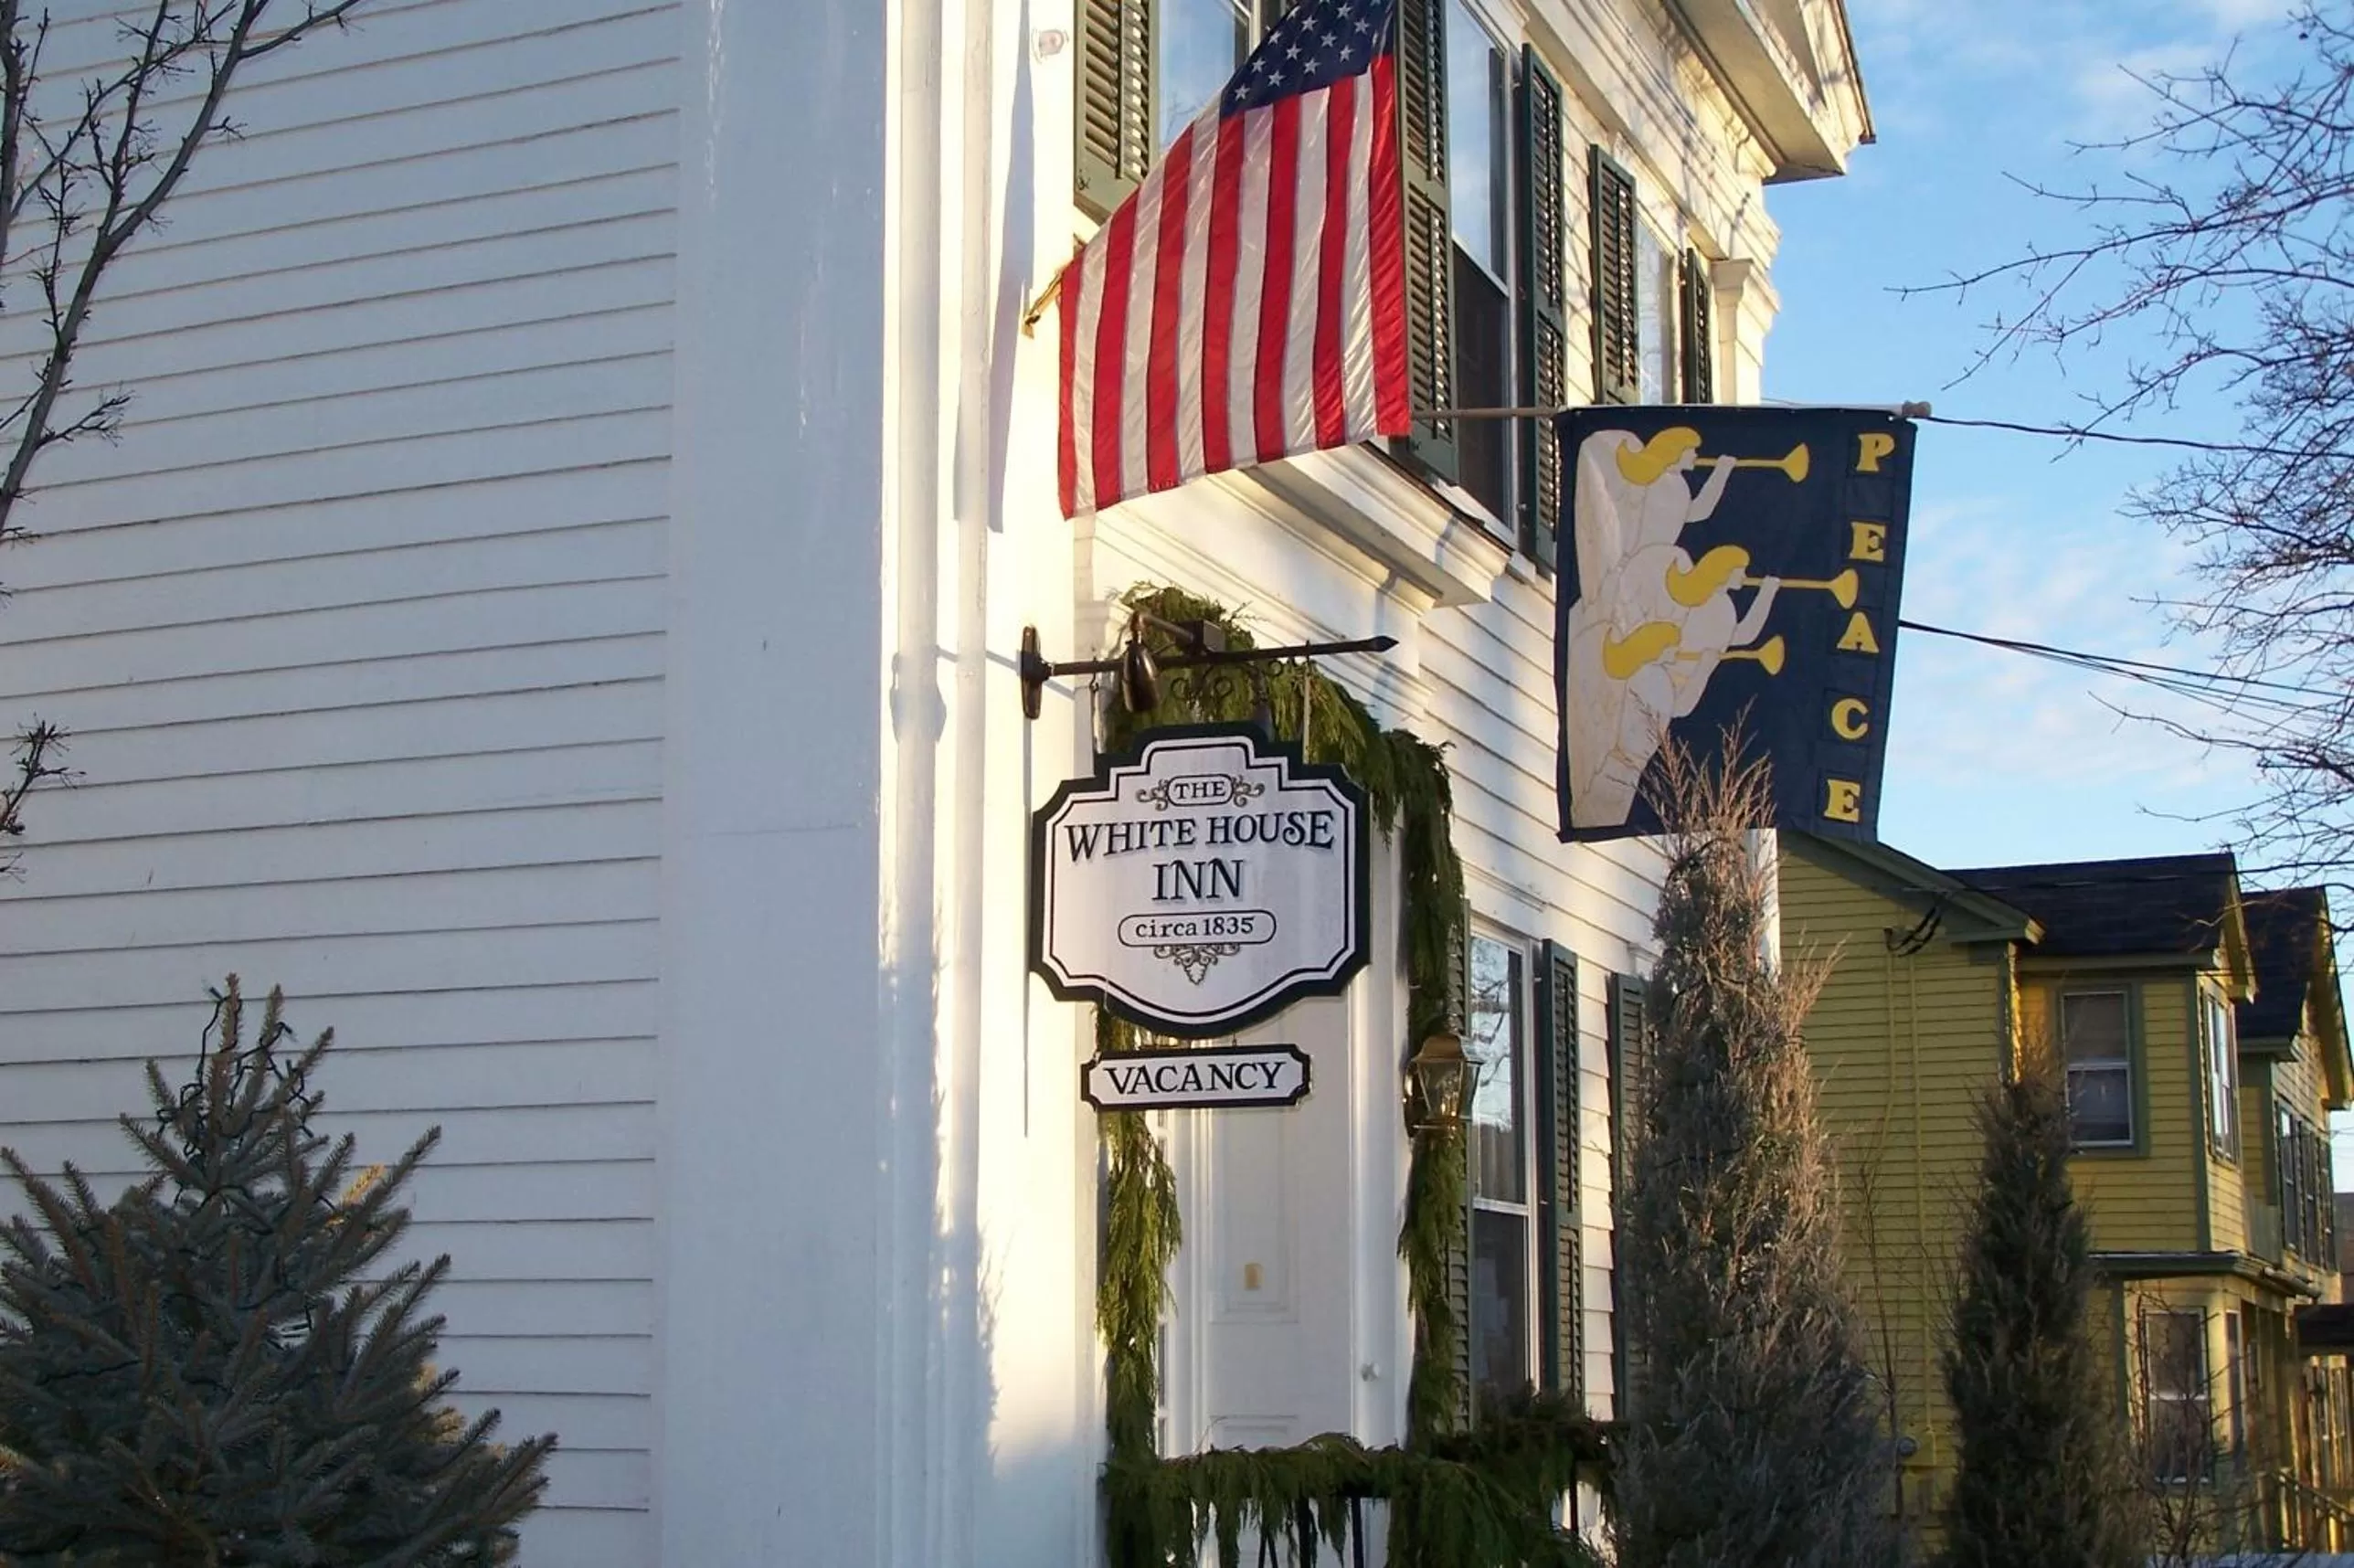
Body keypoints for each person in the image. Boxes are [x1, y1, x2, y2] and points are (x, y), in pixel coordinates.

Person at [1562, 427, 1779, 830]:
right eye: (1691, 453)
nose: (1695, 461)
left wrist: (1724, 472)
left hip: (1628, 746)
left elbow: (1696, 512)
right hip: (1625, 572)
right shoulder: (1658, 562)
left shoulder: (1707, 609)